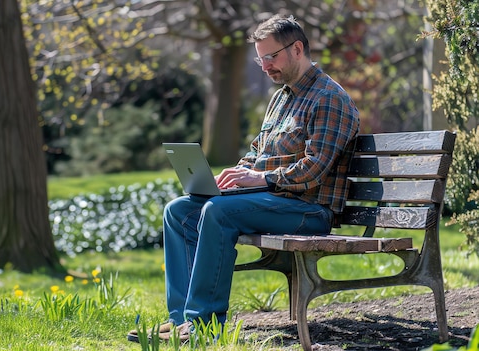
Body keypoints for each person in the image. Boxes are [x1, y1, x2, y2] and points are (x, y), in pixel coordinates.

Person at [128, 13, 360, 343]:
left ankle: (202, 325)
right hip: (272, 201)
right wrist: (238, 174)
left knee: (218, 213)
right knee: (179, 211)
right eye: (260, 58)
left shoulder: (329, 99)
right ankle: (180, 319)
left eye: (271, 57)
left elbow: (314, 169)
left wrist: (262, 180)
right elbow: (258, 152)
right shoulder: (282, 97)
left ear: (296, 49)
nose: (265, 66)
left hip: (308, 210)